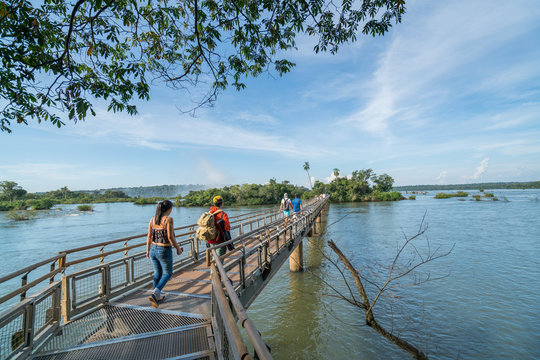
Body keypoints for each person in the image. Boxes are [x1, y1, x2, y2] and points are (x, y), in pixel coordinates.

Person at [146, 200, 183, 308]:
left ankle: (157, 296)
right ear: (169, 209)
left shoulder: (152, 220)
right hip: (164, 250)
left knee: (157, 272)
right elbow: (171, 237)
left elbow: (149, 236)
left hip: (153, 249)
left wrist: (147, 250)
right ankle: (155, 293)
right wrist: (178, 249)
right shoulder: (168, 219)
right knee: (167, 273)